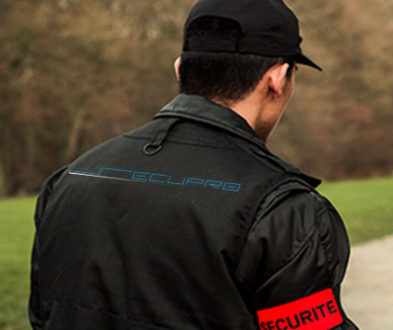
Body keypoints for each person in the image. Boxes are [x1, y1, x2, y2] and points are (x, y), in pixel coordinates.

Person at [28, 0, 357, 329]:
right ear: (278, 78)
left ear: (180, 68)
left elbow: (43, 316)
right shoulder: (284, 212)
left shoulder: (70, 180)